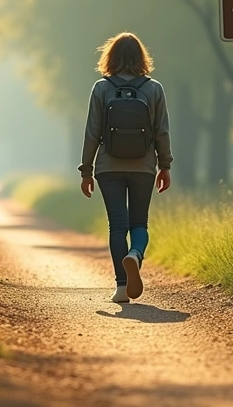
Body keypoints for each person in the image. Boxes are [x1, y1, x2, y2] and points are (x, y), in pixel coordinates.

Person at [79, 32, 172, 304]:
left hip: (108, 167)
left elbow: (92, 132)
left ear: (111, 57)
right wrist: (165, 165)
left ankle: (121, 288)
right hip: (144, 166)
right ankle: (135, 255)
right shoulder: (154, 89)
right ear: (141, 57)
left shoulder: (101, 88)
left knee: (117, 225)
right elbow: (162, 131)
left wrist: (86, 171)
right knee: (139, 222)